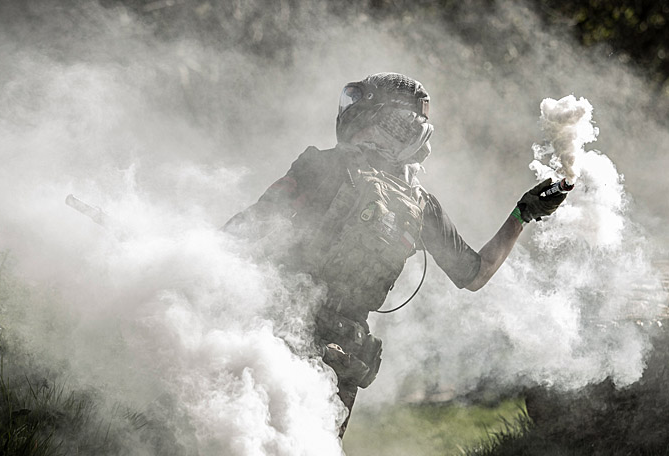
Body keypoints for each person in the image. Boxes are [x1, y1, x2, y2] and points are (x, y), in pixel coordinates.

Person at [224, 72, 566, 436]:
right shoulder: (421, 205)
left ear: (371, 116)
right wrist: (523, 214)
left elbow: (247, 230)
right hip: (344, 352)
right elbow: (476, 274)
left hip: (280, 330)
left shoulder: (322, 165)